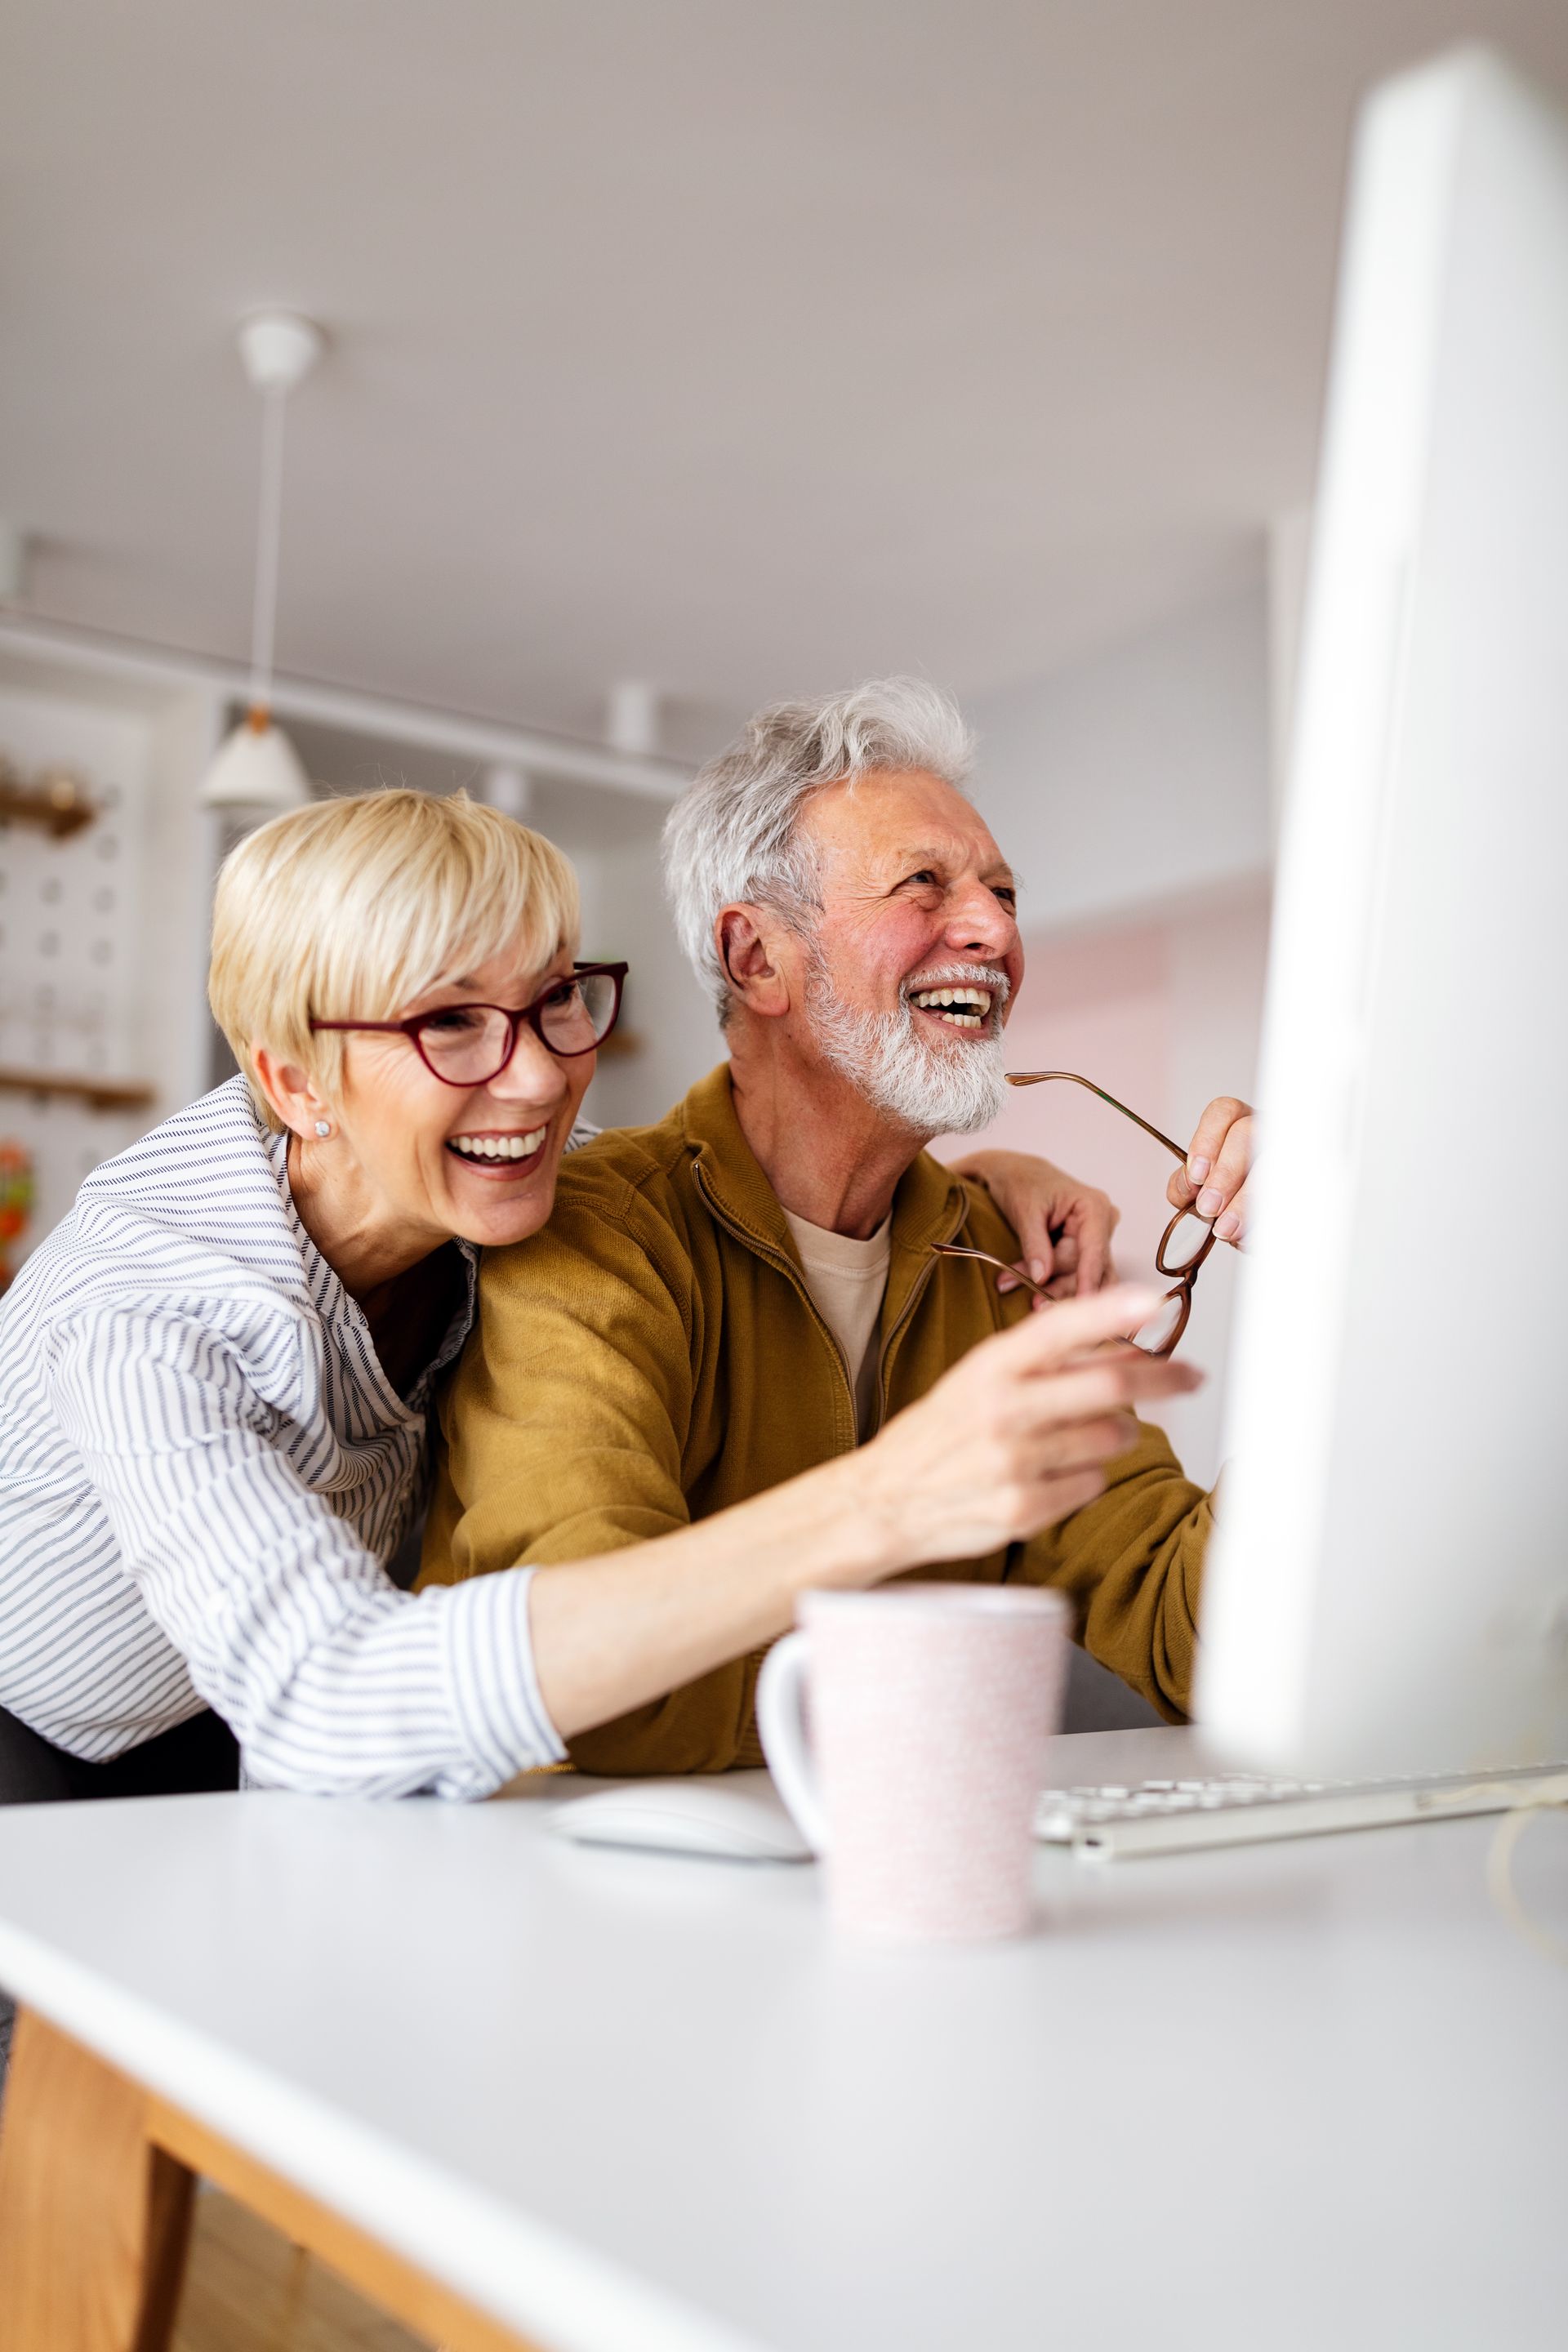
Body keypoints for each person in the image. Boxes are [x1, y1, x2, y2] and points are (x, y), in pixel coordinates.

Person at [0, 786, 1195, 1811]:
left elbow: (744, 1170)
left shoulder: (506, 1188)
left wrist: (977, 1182)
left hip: (264, 1719)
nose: (534, 1079)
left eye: (556, 998)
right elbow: (324, 1698)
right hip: (58, 1738)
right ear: (293, 1082)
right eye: (451, 1022)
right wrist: (886, 1500)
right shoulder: (143, 1310)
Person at [422, 681, 1253, 1774]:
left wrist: (1346, 1283)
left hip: (883, 1887)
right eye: (926, 886)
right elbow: (604, 1699)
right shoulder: (593, 1238)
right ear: (757, 957)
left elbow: (1199, 1641)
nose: (995, 930)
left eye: (1004, 892)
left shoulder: (1002, 1264)